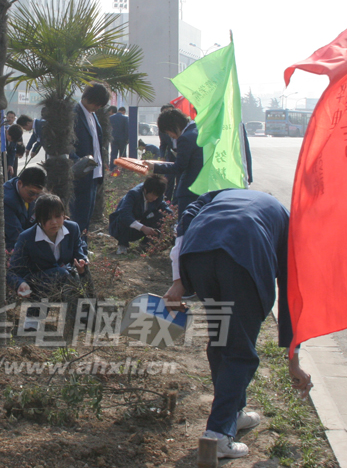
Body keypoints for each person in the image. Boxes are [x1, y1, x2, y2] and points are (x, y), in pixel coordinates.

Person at [163, 189, 312, 459]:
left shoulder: (225, 195)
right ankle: (217, 434)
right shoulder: (290, 228)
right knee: (239, 351)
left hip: (198, 253)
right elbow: (292, 297)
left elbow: (186, 215)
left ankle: (233, 413)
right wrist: (294, 361)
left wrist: (178, 277)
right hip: (244, 257)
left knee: (221, 340)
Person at [7, 194, 90, 330]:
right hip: (38, 284)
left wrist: (82, 264)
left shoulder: (73, 229)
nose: (54, 222)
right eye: (47, 218)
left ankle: (83, 315)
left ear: (64, 215)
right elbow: (13, 271)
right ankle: (33, 317)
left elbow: (79, 253)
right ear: (38, 219)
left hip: (68, 279)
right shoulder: (27, 237)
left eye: (58, 216)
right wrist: (20, 284)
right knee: (60, 273)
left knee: (81, 273)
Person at [69, 82, 109, 236]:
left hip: (94, 174)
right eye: (97, 104)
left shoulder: (93, 115)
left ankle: (82, 248)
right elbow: (67, 144)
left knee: (86, 218)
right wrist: (79, 161)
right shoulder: (74, 114)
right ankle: (76, 251)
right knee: (77, 216)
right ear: (90, 98)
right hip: (82, 173)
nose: (98, 107)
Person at [146, 109, 203, 215]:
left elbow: (179, 166)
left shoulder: (185, 138)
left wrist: (154, 167)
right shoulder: (197, 130)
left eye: (168, 132)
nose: (170, 136)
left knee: (186, 223)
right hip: (201, 186)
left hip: (189, 190)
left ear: (174, 126)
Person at [0, 166, 46, 251]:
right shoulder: (5, 201)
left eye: (38, 194)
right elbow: (16, 235)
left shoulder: (27, 192)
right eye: (31, 193)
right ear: (20, 183)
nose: (34, 197)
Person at [108, 175, 170, 254]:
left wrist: (174, 222)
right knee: (123, 217)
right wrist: (143, 228)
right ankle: (123, 244)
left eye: (157, 196)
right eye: (153, 195)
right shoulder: (133, 194)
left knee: (159, 215)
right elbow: (124, 214)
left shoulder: (158, 196)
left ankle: (147, 244)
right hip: (122, 228)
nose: (155, 198)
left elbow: (165, 209)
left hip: (141, 223)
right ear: (146, 190)